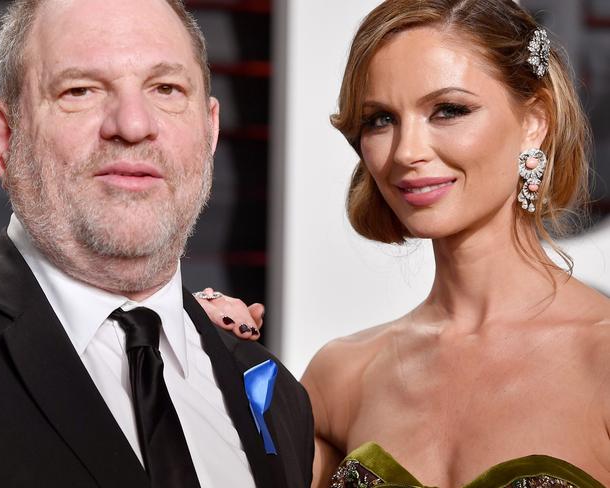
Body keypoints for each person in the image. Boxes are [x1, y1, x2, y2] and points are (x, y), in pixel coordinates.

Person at [200, 0, 610, 486]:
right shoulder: (344, 375)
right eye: (380, 120)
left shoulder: (600, 359)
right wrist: (202, 373)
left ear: (534, 121)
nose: (407, 152)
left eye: (449, 110)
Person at [0, 0, 313, 487]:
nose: (131, 125)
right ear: (4, 138)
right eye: (79, 90)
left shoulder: (277, 397)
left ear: (209, 130)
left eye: (166, 88)